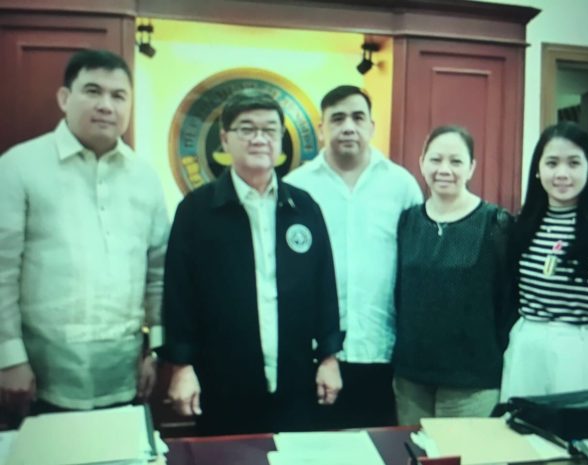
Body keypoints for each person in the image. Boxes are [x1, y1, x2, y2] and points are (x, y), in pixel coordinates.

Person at [161, 89, 343, 436]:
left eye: (270, 129)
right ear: (225, 140)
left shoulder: (304, 208)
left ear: (280, 141)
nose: (260, 138)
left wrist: (330, 358)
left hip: (296, 380)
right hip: (222, 382)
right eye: (247, 129)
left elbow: (325, 287)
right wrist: (181, 366)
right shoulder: (197, 212)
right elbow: (179, 294)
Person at [0, 49, 170, 418]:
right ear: (65, 98)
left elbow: (159, 274)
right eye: (93, 91)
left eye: (118, 95)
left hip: (124, 376)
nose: (106, 105)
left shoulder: (145, 177)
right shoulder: (18, 166)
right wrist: (8, 357)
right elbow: (2, 273)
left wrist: (156, 351)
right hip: (38, 377)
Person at [285, 85, 423, 429]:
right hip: (313, 353)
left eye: (358, 117)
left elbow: (417, 266)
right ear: (321, 129)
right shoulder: (295, 188)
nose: (349, 126)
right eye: (338, 118)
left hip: (382, 349)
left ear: (372, 127)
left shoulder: (401, 185)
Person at [392, 125, 514, 426]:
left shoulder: (495, 223)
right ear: (421, 162)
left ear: (471, 167)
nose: (444, 169)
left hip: (472, 381)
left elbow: (508, 303)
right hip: (411, 379)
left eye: (456, 161)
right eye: (435, 160)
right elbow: (399, 294)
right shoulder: (408, 221)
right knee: (415, 456)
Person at [501, 121, 588, 399]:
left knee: (573, 436)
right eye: (552, 163)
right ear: (538, 170)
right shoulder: (520, 224)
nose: (562, 174)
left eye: (573, 163)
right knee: (520, 434)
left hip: (582, 346)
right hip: (527, 344)